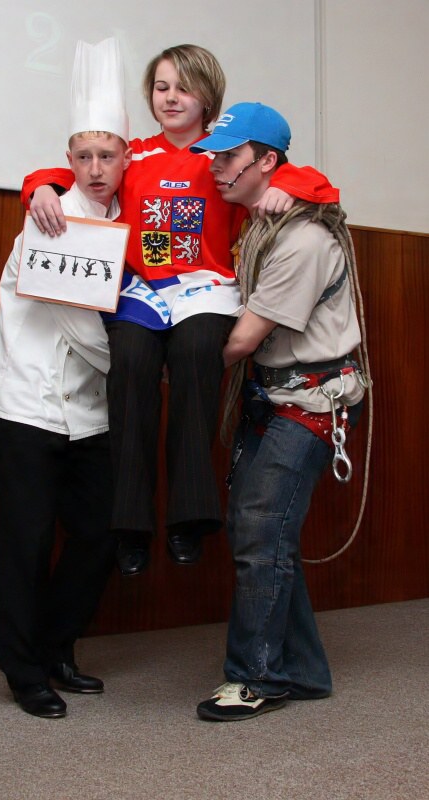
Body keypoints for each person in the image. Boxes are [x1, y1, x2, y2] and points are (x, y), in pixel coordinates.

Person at [22, 45, 339, 578]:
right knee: (129, 362)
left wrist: (286, 186)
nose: (170, 98)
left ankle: (189, 517)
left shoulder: (223, 157)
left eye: (184, 87)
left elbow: (314, 183)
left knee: (197, 353)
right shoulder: (134, 154)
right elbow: (69, 167)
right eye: (161, 87)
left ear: (208, 96)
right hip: (143, 290)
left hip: (206, 288)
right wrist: (40, 188)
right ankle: (129, 524)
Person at [188, 102, 366, 721]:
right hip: (272, 395)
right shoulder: (260, 223)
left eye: (229, 157)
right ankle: (304, 671)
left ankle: (258, 677)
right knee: (258, 533)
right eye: (213, 156)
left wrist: (174, 367)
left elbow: (242, 339)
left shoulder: (303, 238)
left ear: (267, 162)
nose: (216, 168)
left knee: (261, 530)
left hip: (312, 399)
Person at [0, 38, 132, 718]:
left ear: (126, 158)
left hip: (91, 412)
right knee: (27, 541)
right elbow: (80, 325)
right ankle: (24, 673)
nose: (95, 169)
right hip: (26, 403)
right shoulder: (44, 215)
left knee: (99, 533)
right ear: (68, 159)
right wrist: (144, 368)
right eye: (83, 156)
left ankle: (56, 647)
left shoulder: (131, 224)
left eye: (108, 155)